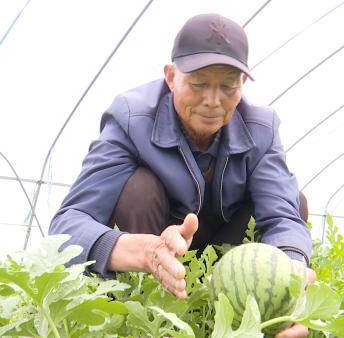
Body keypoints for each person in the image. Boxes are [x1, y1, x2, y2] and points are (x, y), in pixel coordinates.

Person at [50, 13, 314, 337]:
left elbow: (284, 218)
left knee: (295, 203)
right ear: (171, 76)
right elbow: (68, 223)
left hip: (224, 248)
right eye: (199, 84)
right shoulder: (132, 118)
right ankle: (148, 305)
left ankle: (240, 315)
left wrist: (291, 275)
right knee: (138, 189)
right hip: (156, 238)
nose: (212, 101)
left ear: (242, 85)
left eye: (228, 86)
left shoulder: (261, 129)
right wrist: (143, 251)